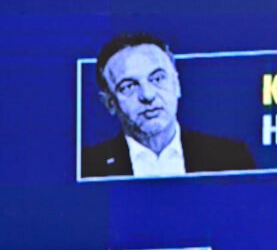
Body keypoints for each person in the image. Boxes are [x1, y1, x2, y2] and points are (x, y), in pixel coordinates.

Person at [82, 33, 255, 178]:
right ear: (110, 103)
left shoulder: (231, 158)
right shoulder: (87, 167)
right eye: (128, 86)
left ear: (176, 85)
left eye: (157, 78)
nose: (148, 95)